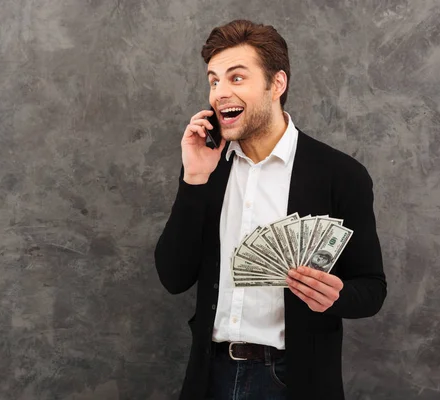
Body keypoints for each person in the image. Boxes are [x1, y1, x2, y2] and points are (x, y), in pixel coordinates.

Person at [154, 19, 387, 400]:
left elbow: (372, 289)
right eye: (214, 80)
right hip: (209, 375)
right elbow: (173, 277)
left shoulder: (340, 175)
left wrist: (337, 295)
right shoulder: (208, 166)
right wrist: (194, 180)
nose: (220, 93)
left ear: (276, 84)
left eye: (237, 78)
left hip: (292, 381)